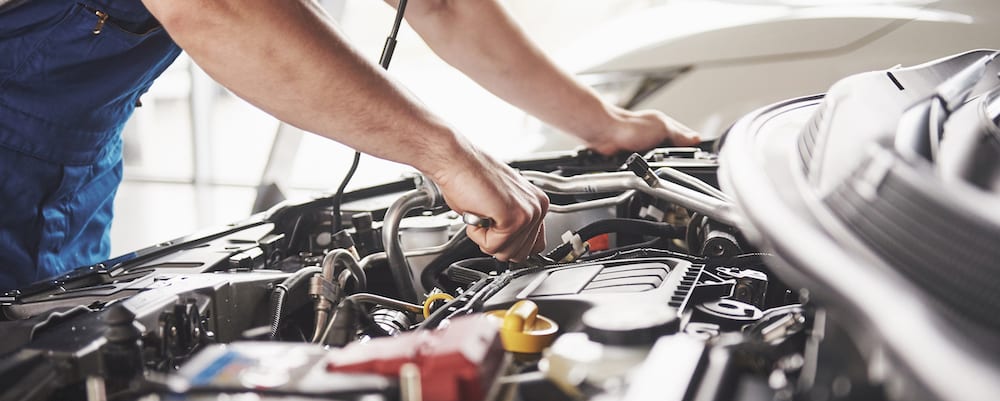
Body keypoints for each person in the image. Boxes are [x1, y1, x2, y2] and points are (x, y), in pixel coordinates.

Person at [0, 0, 699, 291]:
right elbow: (216, 9)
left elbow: (439, 4)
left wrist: (604, 125)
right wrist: (448, 155)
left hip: (68, 169)